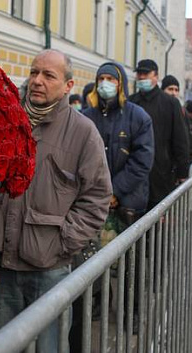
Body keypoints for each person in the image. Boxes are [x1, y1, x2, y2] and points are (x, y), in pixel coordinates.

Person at [0, 49, 112, 353]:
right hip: (2, 264)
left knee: (49, 347)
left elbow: (97, 198)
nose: (37, 81)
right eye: (33, 72)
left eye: (48, 75)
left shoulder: (83, 132)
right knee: (5, 344)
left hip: (50, 268)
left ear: (68, 86)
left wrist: (61, 243)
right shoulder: (5, 118)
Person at [73, 62, 154, 346]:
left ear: (121, 83)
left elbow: (142, 161)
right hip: (92, 205)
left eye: (111, 78)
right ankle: (96, 301)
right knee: (91, 258)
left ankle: (132, 311)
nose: (105, 83)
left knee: (130, 265)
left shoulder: (138, 117)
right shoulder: (86, 116)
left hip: (127, 205)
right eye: (101, 78)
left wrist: (115, 191)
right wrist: (96, 194)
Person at [129, 60, 189, 209]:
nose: (142, 77)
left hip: (161, 172)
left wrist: (182, 172)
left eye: (146, 74)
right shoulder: (131, 102)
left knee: (158, 219)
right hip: (133, 171)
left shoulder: (170, 103)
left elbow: (180, 139)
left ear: (156, 76)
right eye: (139, 74)